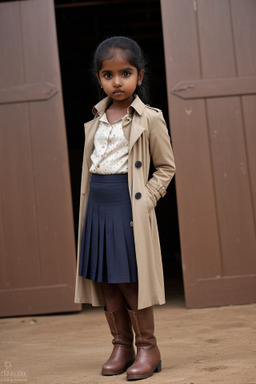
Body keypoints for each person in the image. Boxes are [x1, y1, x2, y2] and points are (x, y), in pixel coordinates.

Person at [74, 36, 176, 381]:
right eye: (108, 75)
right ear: (99, 78)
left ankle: (148, 347)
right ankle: (122, 345)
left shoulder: (149, 119)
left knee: (131, 281)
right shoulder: (96, 120)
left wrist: (146, 199)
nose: (117, 82)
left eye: (125, 73)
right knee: (107, 281)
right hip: (98, 208)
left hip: (127, 207)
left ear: (140, 76)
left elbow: (166, 167)